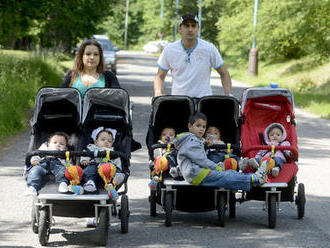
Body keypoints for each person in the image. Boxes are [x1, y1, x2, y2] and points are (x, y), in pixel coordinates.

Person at [173, 112, 269, 191]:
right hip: (196, 173)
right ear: (190, 126)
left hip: (195, 172)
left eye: (203, 126)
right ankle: (255, 178)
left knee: (228, 174)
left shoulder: (190, 140)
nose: (201, 129)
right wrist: (217, 167)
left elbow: (195, 151)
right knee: (225, 176)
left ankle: (251, 178)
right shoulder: (192, 141)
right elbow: (201, 160)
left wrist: (205, 143)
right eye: (198, 126)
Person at [153, 13, 232, 97]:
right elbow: (160, 76)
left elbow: (224, 73)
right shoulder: (169, 50)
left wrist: (229, 94)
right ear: (180, 28)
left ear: (198, 28)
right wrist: (158, 92)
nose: (190, 29)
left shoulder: (209, 48)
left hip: (203, 102)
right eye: (186, 26)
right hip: (178, 101)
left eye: (193, 26)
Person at [80, 126, 125, 193]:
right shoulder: (92, 148)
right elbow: (85, 154)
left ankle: (115, 179)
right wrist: (84, 160)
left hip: (108, 172)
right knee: (90, 168)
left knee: (114, 168)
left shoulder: (112, 152)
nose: (106, 142)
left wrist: (118, 169)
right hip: (95, 170)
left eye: (109, 141)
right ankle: (90, 182)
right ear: (96, 142)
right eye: (103, 140)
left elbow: (117, 162)